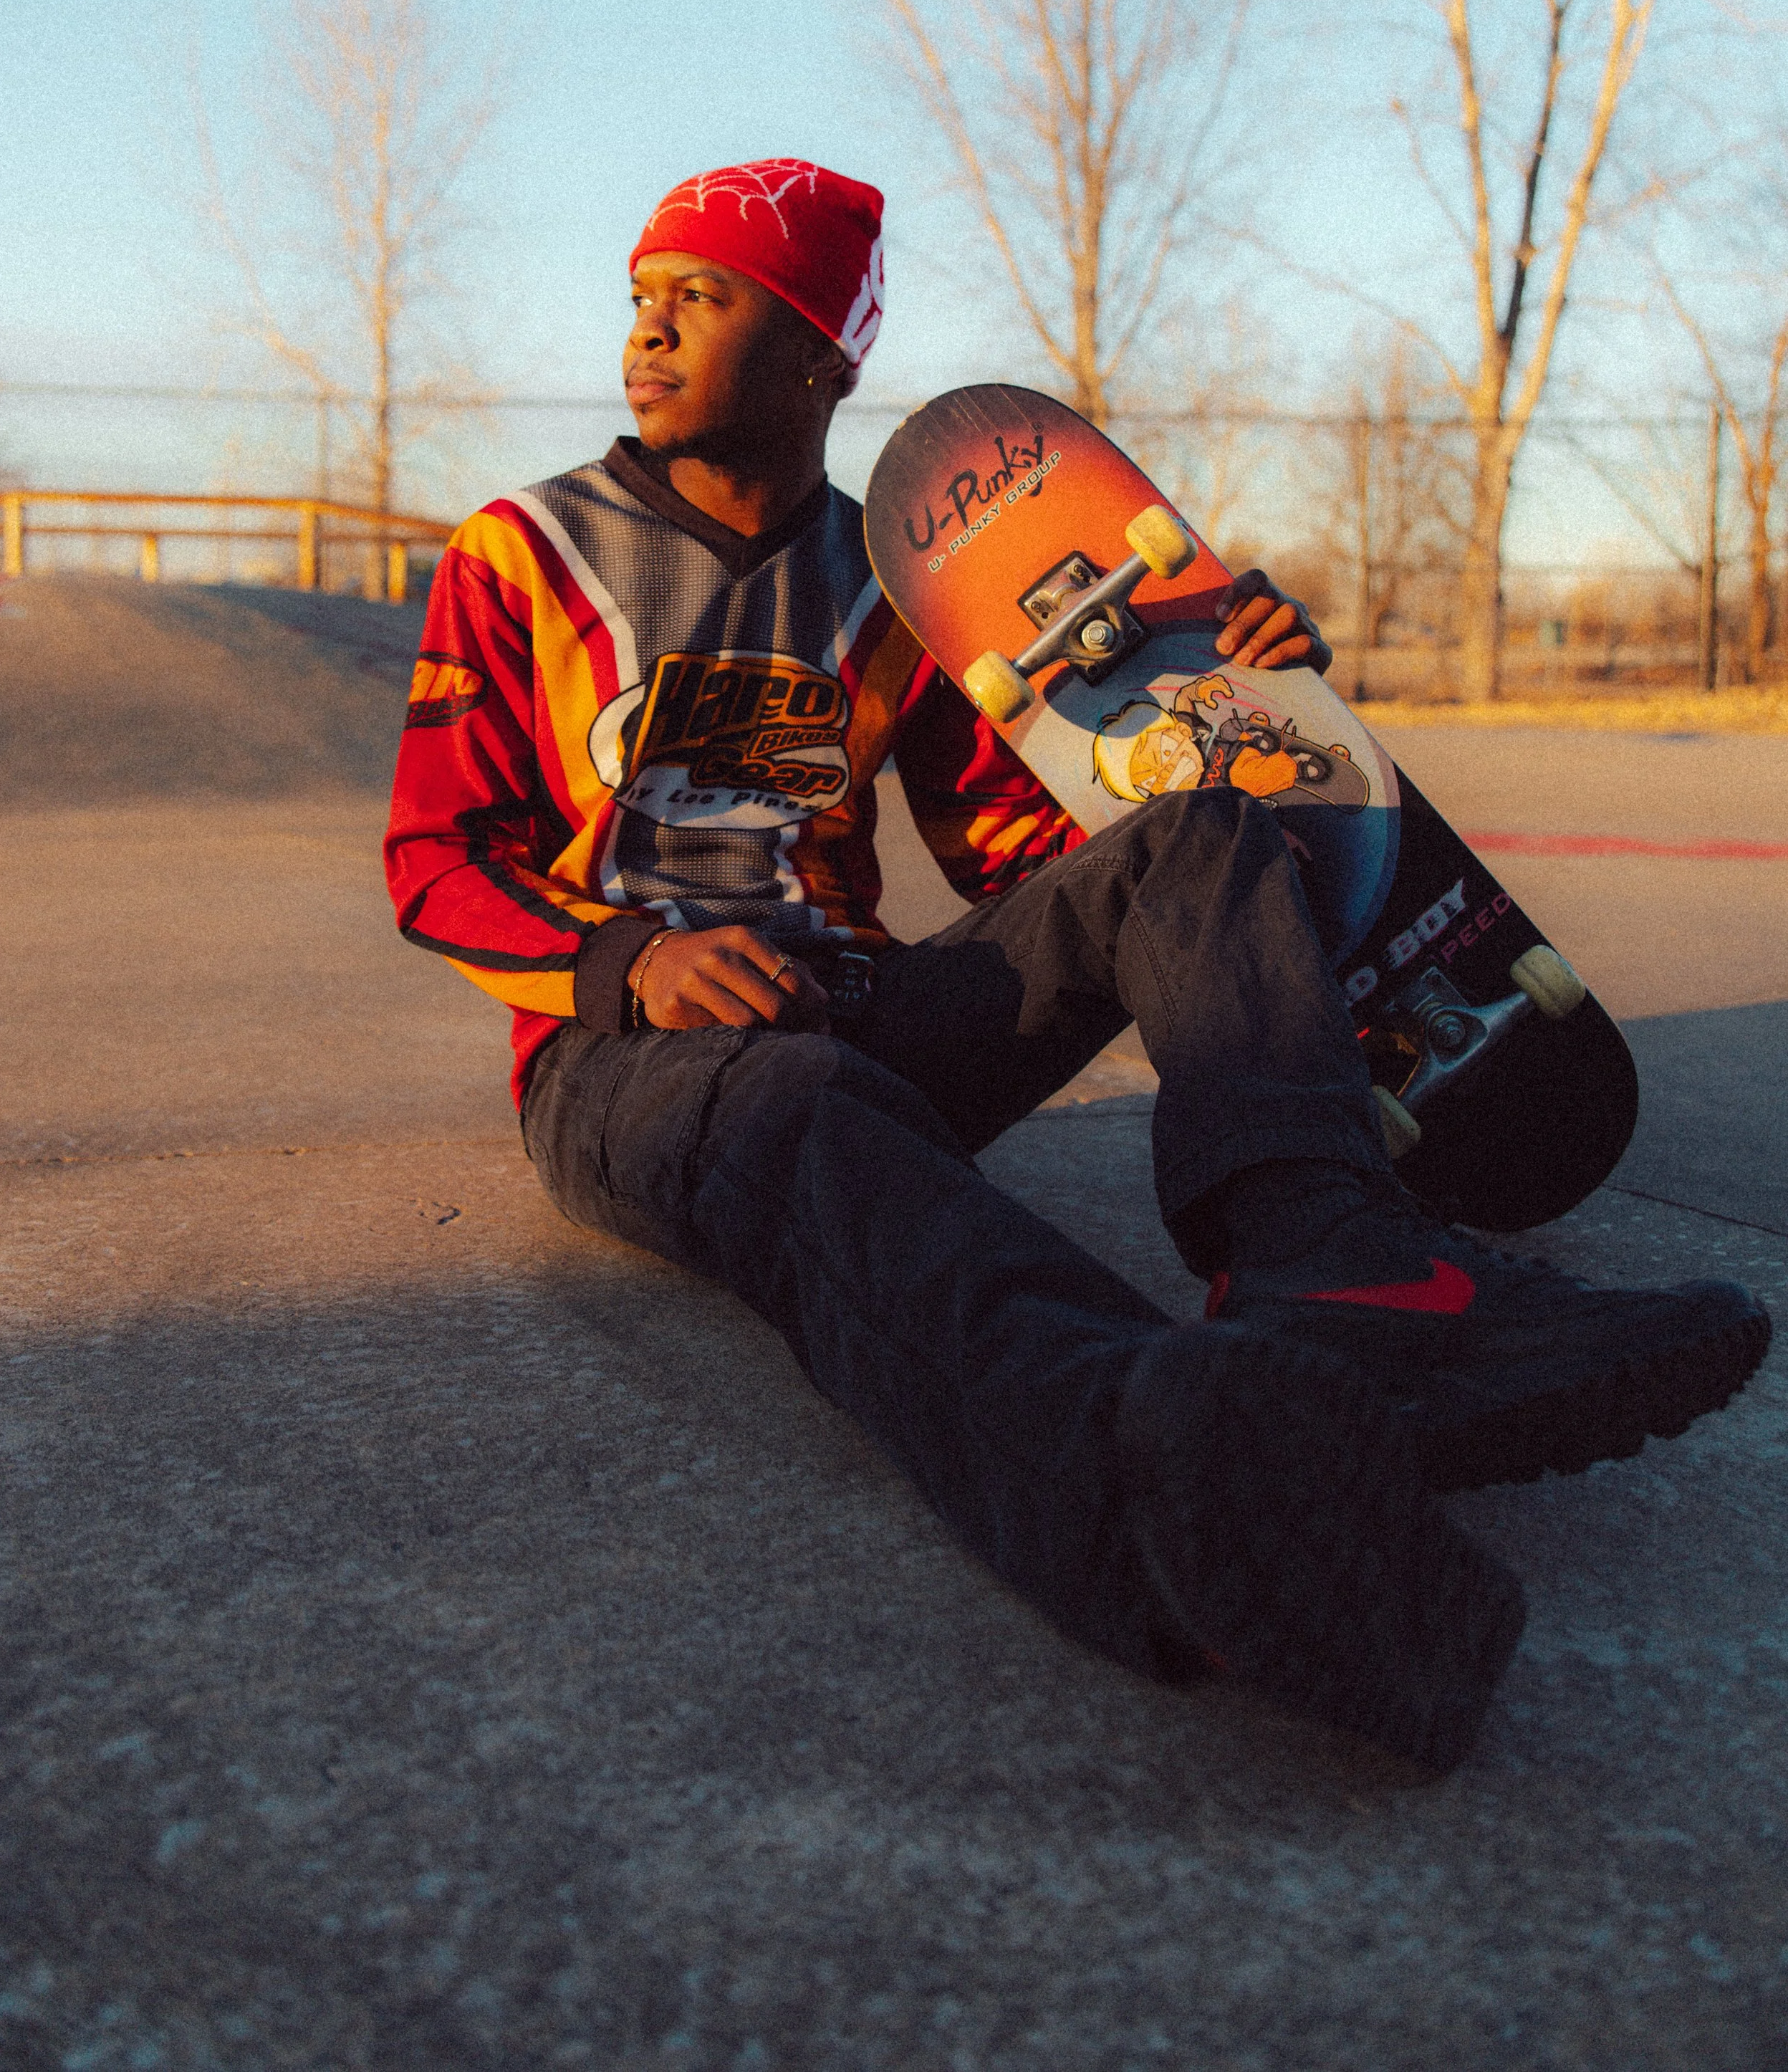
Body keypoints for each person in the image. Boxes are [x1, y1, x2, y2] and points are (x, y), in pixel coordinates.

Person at [385, 157, 1769, 1774]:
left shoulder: (880, 586)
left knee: (1192, 840)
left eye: (701, 299)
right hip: (632, 1062)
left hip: (864, 1005)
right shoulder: (525, 551)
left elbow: (1026, 859)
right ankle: (1153, 1487)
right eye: (640, 299)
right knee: (803, 1110)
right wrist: (628, 959)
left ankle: (1337, 1264)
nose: (648, 333)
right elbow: (433, 860)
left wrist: (1234, 704)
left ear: (826, 354)